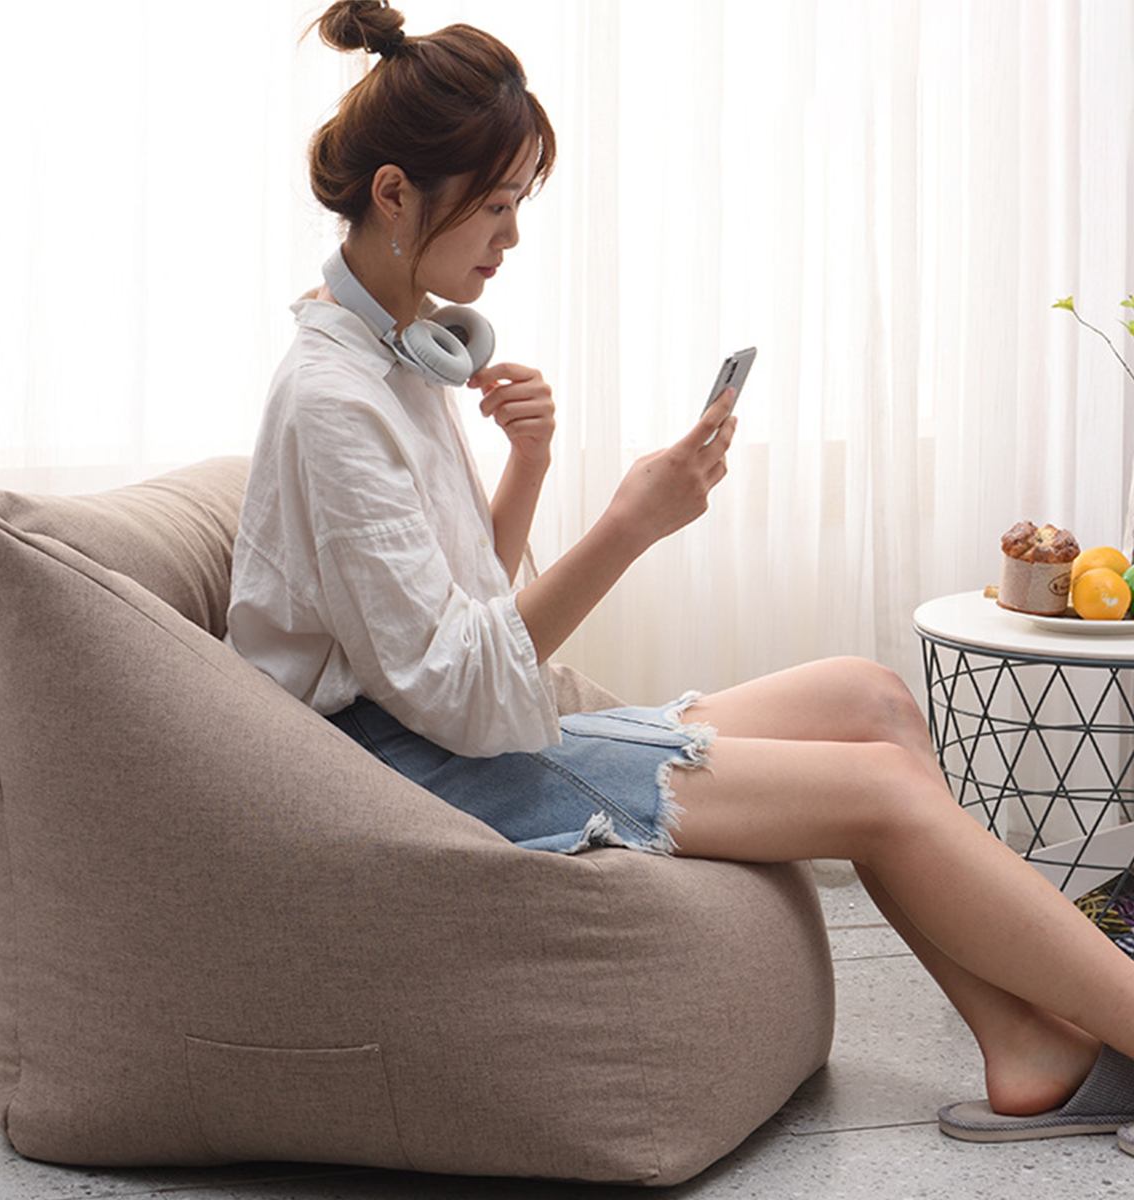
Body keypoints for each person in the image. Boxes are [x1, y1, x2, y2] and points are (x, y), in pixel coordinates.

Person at [228, 0, 1134, 1148]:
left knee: (866, 697)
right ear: (396, 193)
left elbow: (460, 625)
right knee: (881, 791)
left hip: (447, 734)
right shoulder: (335, 401)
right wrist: (629, 524)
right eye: (496, 203)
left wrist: (528, 464)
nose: (511, 237)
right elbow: (452, 693)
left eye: (520, 204)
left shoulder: (403, 357)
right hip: (402, 775)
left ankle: (1029, 1045)